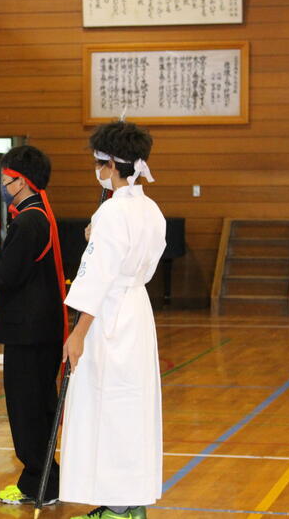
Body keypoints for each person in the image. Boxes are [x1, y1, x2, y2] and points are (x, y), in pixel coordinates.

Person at [60, 121, 165, 519]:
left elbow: (98, 278)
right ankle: (129, 501)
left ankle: (118, 508)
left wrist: (78, 333)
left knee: (108, 406)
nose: (97, 170)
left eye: (98, 163)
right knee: (130, 406)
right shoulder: (150, 209)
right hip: (136, 309)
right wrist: (97, 237)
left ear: (109, 165)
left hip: (109, 317)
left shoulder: (112, 211)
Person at [0, 145, 68, 507]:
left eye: (6, 178)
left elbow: (5, 277)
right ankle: (45, 480)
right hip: (40, 330)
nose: (3, 184)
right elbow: (14, 264)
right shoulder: (37, 214)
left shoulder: (28, 221)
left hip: (29, 332)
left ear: (20, 181)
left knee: (28, 411)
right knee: (37, 407)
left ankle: (39, 484)